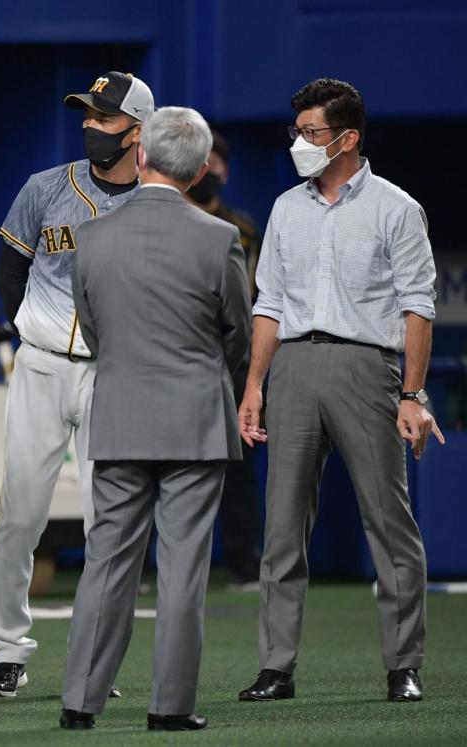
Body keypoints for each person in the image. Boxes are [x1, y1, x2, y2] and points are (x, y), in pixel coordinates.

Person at [237, 78, 445, 705]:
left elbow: (417, 306)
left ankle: (403, 665)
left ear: (348, 139)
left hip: (368, 370)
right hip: (293, 369)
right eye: (296, 131)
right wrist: (254, 385)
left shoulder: (396, 208)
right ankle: (276, 669)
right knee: (282, 527)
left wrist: (414, 395)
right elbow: (268, 303)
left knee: (389, 521)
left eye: (311, 133)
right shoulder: (284, 208)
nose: (298, 142)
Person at [60, 106, 251, 731]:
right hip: (196, 419)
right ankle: (169, 708)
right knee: (184, 569)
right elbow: (238, 336)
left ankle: (79, 704)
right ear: (198, 172)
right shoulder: (220, 239)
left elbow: (93, 329)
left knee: (106, 562)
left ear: (140, 158)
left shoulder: (92, 237)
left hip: (119, 413)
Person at [0, 71, 154, 698]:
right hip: (45, 365)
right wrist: (32, 330)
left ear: (138, 133)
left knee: (109, 523)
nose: (90, 126)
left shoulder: (159, 201)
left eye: (104, 119)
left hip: (117, 374)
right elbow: (10, 270)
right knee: (20, 512)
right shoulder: (46, 187)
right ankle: (5, 651)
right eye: (87, 115)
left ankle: (96, 660)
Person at [186, 131, 263, 588]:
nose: (209, 171)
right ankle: (141, 568)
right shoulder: (164, 221)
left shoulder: (244, 230)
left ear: (225, 170)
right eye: (202, 161)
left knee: (239, 465)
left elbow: (256, 300)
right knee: (156, 463)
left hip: (232, 362)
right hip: (174, 359)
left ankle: (243, 562)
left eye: (216, 162)